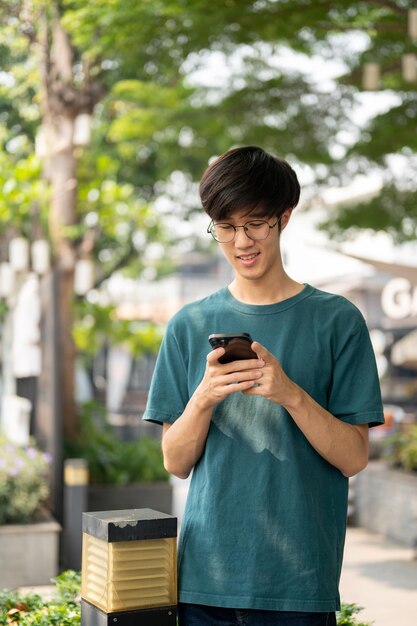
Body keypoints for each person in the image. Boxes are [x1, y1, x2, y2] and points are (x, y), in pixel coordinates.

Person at [143, 146, 384, 626]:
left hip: (299, 589)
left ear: (285, 217)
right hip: (204, 584)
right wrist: (206, 396)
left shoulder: (338, 321)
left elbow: (355, 458)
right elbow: (175, 461)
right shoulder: (188, 325)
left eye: (255, 223)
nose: (241, 242)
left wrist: (289, 394)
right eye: (226, 227)